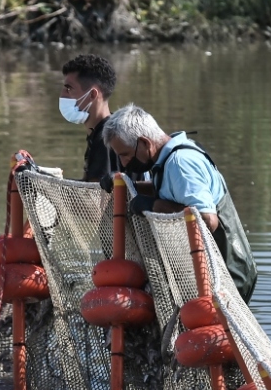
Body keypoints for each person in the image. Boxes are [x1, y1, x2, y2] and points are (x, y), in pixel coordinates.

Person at [102, 104, 258, 302]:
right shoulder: (166, 159)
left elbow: (207, 220)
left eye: (124, 154)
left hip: (228, 275)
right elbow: (174, 192)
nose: (124, 163)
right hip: (204, 272)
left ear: (144, 143)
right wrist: (128, 184)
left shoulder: (180, 163)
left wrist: (153, 206)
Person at [60, 55, 120, 182]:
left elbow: (94, 195)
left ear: (92, 94)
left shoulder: (106, 138)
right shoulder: (103, 130)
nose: (62, 94)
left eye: (69, 88)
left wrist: (42, 183)